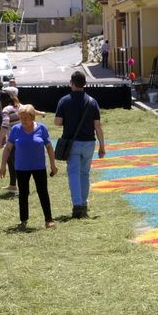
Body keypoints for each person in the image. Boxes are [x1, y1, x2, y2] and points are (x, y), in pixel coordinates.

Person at [53, 70, 107, 219]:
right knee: (85, 174)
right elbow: (98, 125)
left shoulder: (64, 101)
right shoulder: (92, 101)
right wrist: (102, 146)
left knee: (74, 173)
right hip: (89, 142)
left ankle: (77, 205)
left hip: (73, 143)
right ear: (85, 84)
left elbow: (57, 122)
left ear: (71, 83)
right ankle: (83, 203)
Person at [0, 105, 56, 229]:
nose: (23, 121)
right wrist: (3, 166)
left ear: (32, 117)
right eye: (21, 118)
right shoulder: (16, 129)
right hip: (21, 168)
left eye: (25, 118)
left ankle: (48, 219)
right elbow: (8, 148)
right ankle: (23, 220)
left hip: (39, 166)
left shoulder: (42, 128)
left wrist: (53, 165)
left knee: (43, 192)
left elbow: (49, 147)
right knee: (23, 194)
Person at [0, 87, 22, 195]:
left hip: (15, 141)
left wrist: (0, 141)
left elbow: (5, 125)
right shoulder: (18, 106)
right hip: (23, 138)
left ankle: (17, 186)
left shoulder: (6, 110)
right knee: (11, 161)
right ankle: (12, 185)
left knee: (13, 162)